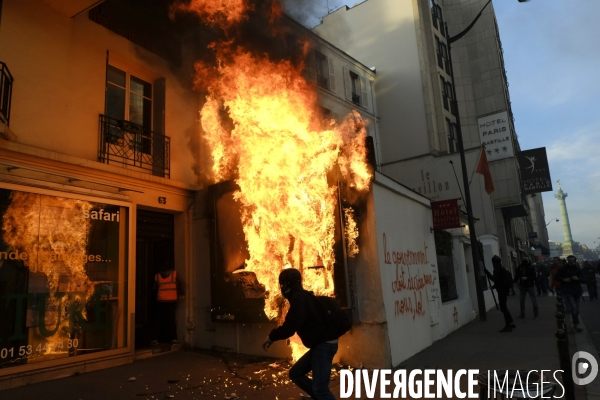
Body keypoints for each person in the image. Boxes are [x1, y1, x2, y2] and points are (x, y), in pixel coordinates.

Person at [262, 268, 340, 400]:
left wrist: (271, 337)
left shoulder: (299, 299)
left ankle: (320, 397)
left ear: (287, 284)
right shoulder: (303, 296)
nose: (281, 288)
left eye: (282, 284)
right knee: (295, 373)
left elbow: (290, 326)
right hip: (321, 344)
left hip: (324, 346)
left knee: (321, 390)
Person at [152, 263, 185, 346]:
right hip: (172, 300)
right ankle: (173, 338)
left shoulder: (157, 275)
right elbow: (181, 282)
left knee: (159, 320)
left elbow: (154, 288)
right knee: (171, 319)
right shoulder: (174, 273)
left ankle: (156, 338)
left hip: (161, 300)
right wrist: (181, 293)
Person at [485, 255, 516, 332]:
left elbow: (494, 279)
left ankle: (508, 325)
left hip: (502, 291)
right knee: (504, 307)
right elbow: (500, 280)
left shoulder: (497, 269)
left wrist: (487, 273)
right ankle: (510, 322)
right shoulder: (502, 268)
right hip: (504, 289)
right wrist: (494, 286)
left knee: (503, 308)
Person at [555, 255, 585, 332]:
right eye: (570, 261)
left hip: (576, 291)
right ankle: (577, 324)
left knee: (576, 309)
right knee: (574, 308)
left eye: (572, 261)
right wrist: (564, 280)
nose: (571, 262)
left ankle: (575, 322)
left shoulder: (578, 269)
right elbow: (557, 277)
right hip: (567, 290)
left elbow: (584, 279)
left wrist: (578, 278)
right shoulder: (563, 269)